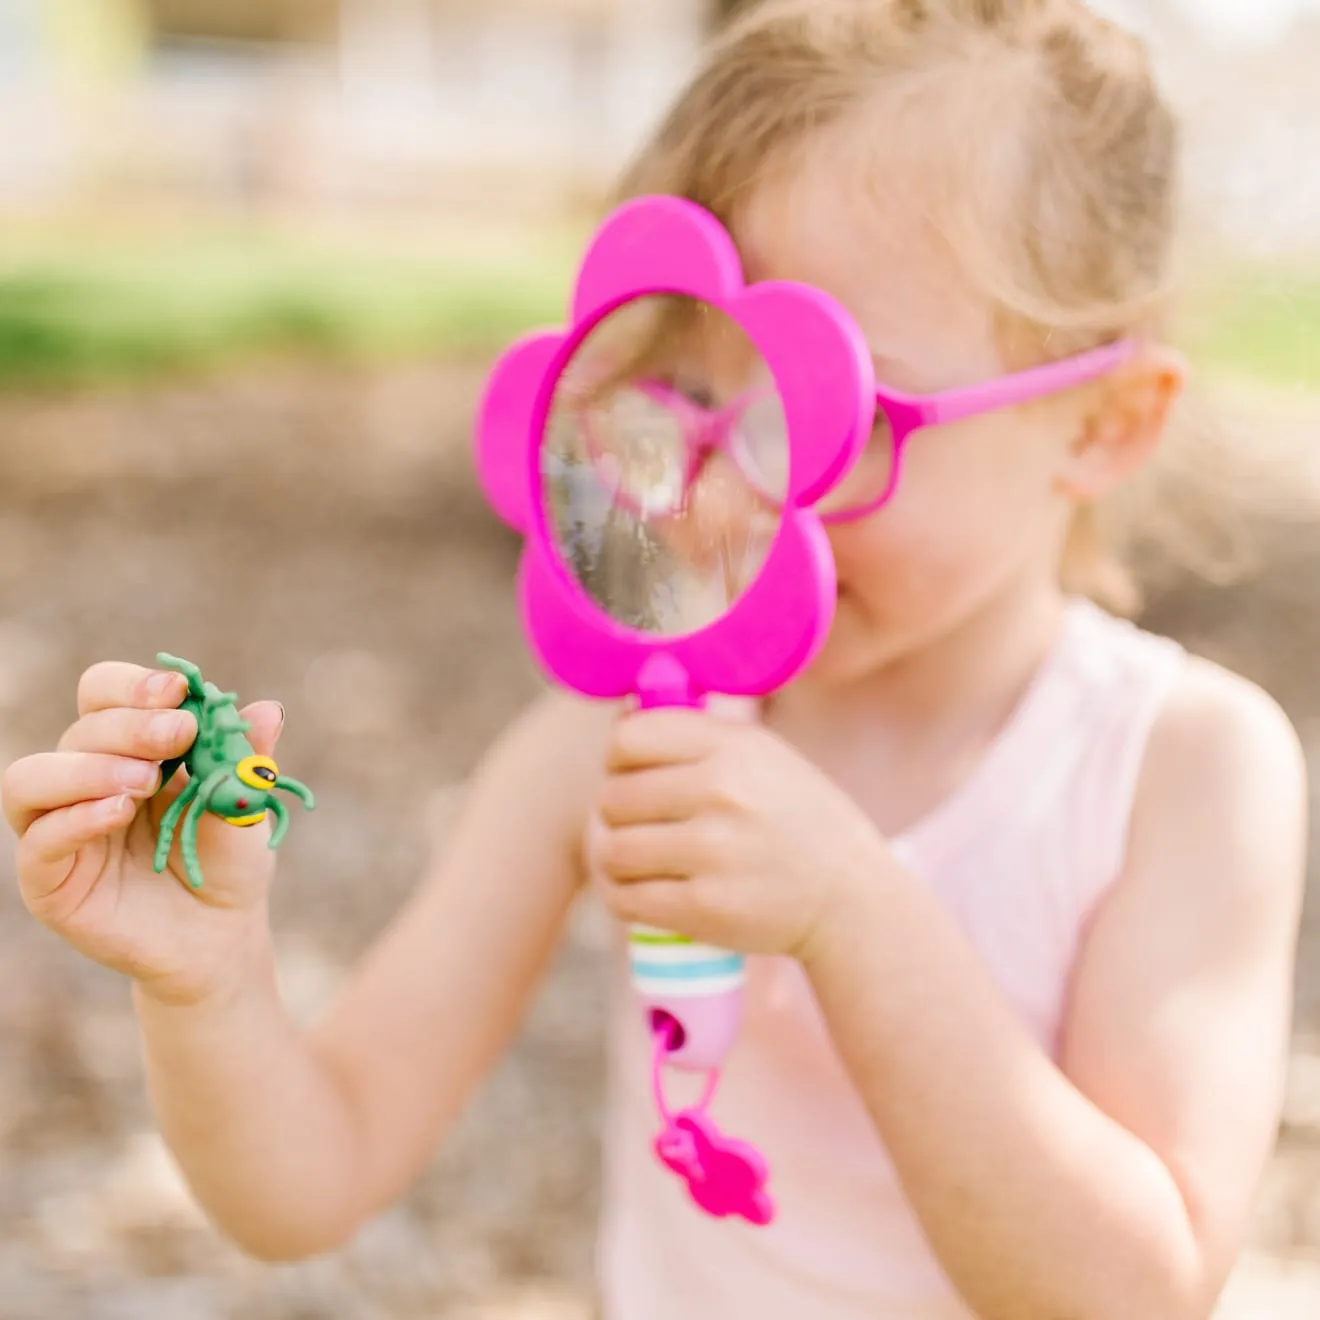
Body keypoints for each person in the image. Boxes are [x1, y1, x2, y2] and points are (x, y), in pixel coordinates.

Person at [3, 2, 1307, 1317]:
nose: (740, 496)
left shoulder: (1181, 771)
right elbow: (313, 1174)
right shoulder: (611, 741)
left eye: (831, 412)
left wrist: (857, 914)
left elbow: (1137, 1294)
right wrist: (208, 978)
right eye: (685, 406)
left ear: (1102, 419)